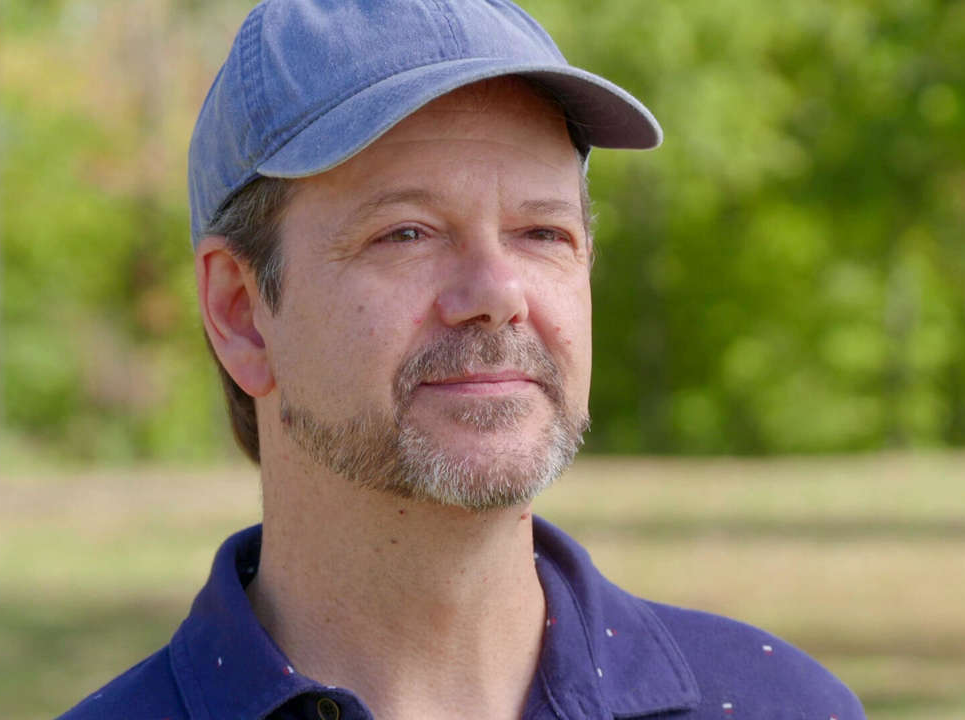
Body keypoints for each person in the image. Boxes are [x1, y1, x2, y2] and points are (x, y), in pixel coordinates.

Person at [60, 1, 865, 718]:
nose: (498, 293)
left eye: (542, 232)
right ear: (242, 313)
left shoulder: (779, 706)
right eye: (406, 232)